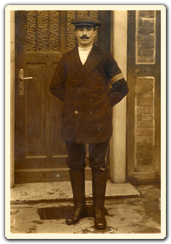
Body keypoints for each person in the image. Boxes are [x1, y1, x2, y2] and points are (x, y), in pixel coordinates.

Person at [50, 17, 129, 229]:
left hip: (98, 120)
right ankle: (79, 207)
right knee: (75, 163)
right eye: (80, 30)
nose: (84, 34)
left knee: (98, 163)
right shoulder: (66, 59)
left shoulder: (105, 59)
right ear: (75, 33)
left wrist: (103, 104)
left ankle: (98, 211)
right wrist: (72, 103)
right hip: (73, 120)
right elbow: (55, 86)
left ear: (95, 33)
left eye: (88, 30)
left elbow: (121, 87)